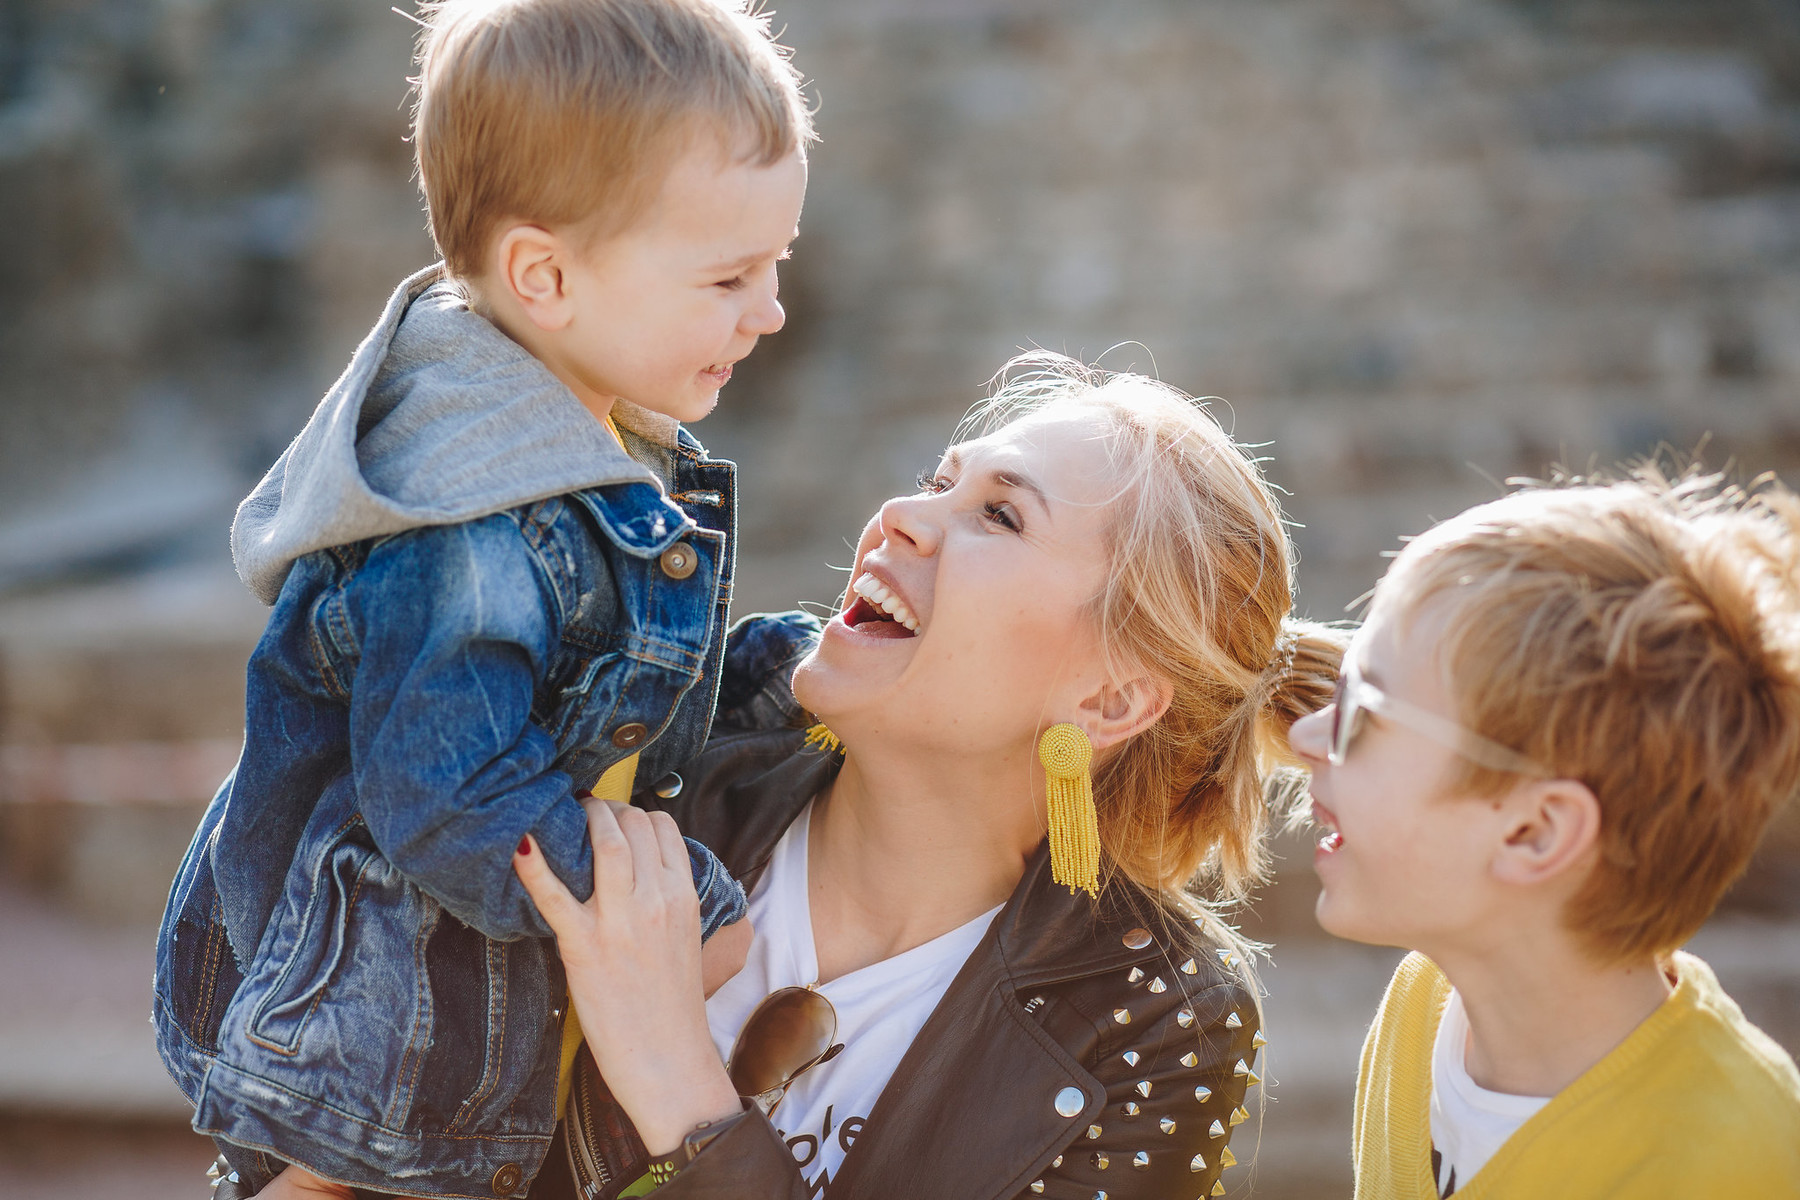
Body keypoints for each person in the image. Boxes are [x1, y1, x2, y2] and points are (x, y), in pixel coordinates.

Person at [151, 1, 811, 1195]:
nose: (769, 310)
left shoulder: (574, 444)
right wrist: (667, 908)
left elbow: (606, 700)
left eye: (779, 265)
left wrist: (788, 674)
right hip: (376, 1056)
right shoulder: (466, 515)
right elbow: (443, 792)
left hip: (459, 1036)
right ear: (544, 275)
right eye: (730, 276)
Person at [513, 354, 1347, 1198]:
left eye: (1000, 514)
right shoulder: (662, 743)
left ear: (1111, 698)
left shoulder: (1160, 1022)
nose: (900, 516)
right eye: (934, 481)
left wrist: (676, 1084)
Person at [1288, 470, 1800, 1198]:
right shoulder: (1422, 1002)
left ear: (1534, 831)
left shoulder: (1729, 1166)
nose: (1307, 734)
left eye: (1361, 710)